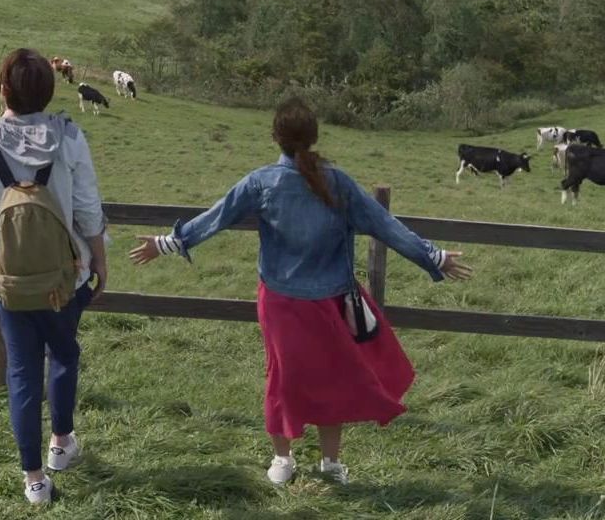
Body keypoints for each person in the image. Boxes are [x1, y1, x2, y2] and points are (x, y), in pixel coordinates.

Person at [130, 97, 471, 486]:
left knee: (282, 378)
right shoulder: (337, 182)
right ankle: (330, 463)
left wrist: (166, 243)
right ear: (314, 137)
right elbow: (386, 226)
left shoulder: (261, 182)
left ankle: (283, 459)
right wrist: (435, 257)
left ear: (275, 137)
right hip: (330, 300)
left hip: (280, 301)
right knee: (334, 378)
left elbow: (215, 218)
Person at [0, 48, 108, 505]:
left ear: (2, 88)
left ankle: (35, 480)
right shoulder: (68, 136)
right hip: (68, 276)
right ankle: (61, 443)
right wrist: (99, 259)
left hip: (11, 282)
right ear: (49, 89)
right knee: (64, 355)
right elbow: (86, 208)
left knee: (22, 373)